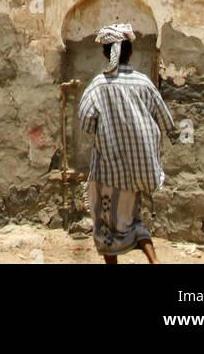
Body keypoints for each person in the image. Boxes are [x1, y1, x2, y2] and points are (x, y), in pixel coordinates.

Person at [78, 22, 177, 264]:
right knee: (132, 218)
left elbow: (86, 124)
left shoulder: (99, 86)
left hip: (109, 172)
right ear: (129, 52)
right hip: (140, 170)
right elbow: (167, 120)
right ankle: (154, 260)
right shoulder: (144, 83)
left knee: (105, 225)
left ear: (106, 53)